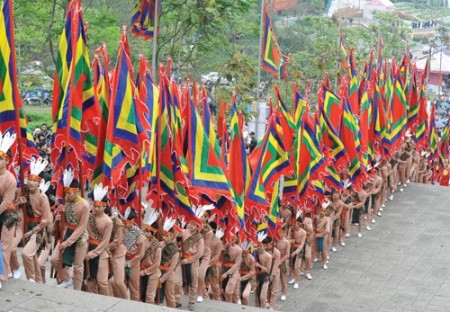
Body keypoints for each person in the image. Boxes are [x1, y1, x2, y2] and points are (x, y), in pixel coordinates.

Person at [50, 168, 89, 290]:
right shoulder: (66, 200)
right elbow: (65, 220)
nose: (66, 196)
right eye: (65, 193)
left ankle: (76, 291)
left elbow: (82, 227)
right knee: (54, 259)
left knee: (78, 267)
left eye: (69, 193)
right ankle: (67, 279)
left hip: (80, 236)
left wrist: (67, 242)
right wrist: (60, 215)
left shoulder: (85, 205)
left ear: (76, 191)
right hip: (67, 233)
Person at [21, 158, 52, 283]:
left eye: (34, 180)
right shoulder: (26, 193)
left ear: (39, 182)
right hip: (30, 225)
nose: (31, 183)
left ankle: (30, 279)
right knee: (32, 256)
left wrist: (32, 231)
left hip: (40, 229)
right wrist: (19, 203)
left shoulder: (43, 198)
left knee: (26, 253)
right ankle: (39, 281)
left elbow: (46, 220)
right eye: (30, 180)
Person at [84, 184, 113, 296]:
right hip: (87, 248)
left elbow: (105, 241)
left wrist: (92, 253)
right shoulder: (89, 216)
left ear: (104, 207)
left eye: (99, 207)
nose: (95, 209)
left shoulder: (108, 222)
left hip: (101, 252)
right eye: (94, 206)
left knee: (102, 282)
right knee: (90, 282)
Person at [0, 132, 18, 289]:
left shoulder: (10, 179)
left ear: (6, 160)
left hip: (7, 214)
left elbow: (6, 202)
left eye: (0, 158)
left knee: (5, 245)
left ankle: (3, 275)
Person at [180, 219, 204, 311]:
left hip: (193, 261)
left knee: (193, 282)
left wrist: (189, 260)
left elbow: (200, 253)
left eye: (194, 224)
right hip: (181, 259)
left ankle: (191, 302)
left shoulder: (199, 237)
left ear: (197, 227)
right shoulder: (182, 232)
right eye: (190, 223)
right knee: (177, 282)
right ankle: (177, 300)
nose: (191, 225)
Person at [122, 207, 146, 301]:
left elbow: (141, 253)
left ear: (132, 221)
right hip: (123, 258)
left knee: (134, 287)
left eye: (126, 222)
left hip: (134, 263)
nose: (124, 224)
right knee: (120, 283)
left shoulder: (139, 234)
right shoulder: (123, 229)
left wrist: (130, 263)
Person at [139, 207, 161, 304]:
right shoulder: (143, 240)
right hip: (142, 269)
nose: (146, 233)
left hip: (152, 272)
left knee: (149, 296)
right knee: (141, 294)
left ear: (154, 232)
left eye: (148, 232)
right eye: (146, 231)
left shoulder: (157, 246)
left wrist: (145, 272)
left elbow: (156, 264)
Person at [159, 217, 180, 308]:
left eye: (166, 236)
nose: (164, 237)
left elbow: (172, 267)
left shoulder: (175, 250)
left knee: (169, 296)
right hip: (158, 272)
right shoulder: (159, 244)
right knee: (157, 295)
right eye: (163, 235)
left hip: (169, 274)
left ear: (171, 236)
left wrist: (163, 278)